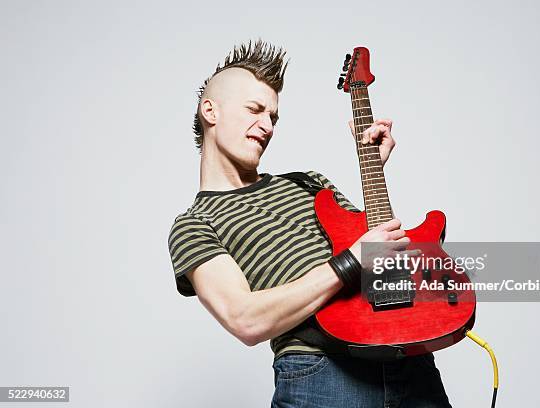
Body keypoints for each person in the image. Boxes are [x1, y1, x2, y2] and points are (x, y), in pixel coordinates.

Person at [168, 40, 452, 407]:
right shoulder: (195, 224)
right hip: (322, 375)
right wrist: (350, 261)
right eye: (255, 110)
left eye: (273, 117)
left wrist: (374, 172)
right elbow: (245, 319)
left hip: (408, 361)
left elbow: (383, 259)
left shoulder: (309, 182)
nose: (267, 126)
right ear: (211, 111)